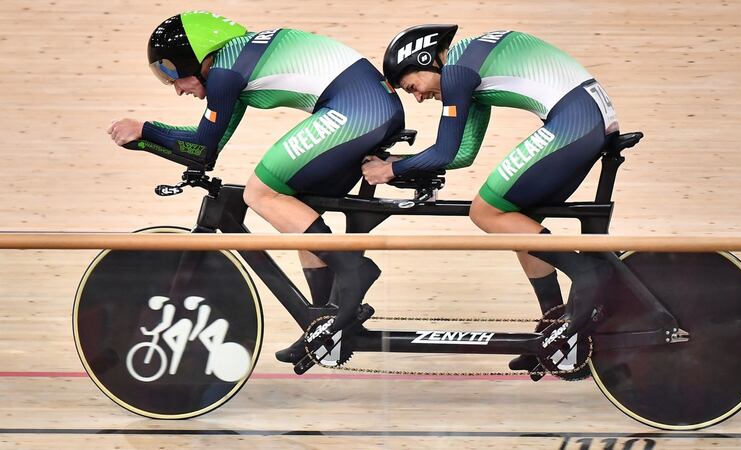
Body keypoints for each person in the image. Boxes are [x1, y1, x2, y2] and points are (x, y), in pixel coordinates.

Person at [107, 11, 405, 364]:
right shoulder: (234, 66)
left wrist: (145, 128)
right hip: (367, 109)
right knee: (298, 211)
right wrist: (144, 142)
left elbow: (200, 147)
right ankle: (324, 321)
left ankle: (354, 271)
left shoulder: (224, 74)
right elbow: (205, 151)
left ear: (198, 56)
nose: (176, 88)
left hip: (358, 111)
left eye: (172, 73)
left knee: (260, 192)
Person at [365, 25, 617, 369]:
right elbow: (462, 152)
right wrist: (400, 163)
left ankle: (586, 271)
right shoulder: (469, 69)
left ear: (425, 59)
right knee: (518, 221)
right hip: (589, 117)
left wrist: (389, 172)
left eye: (413, 87)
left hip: (575, 120)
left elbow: (443, 150)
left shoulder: (456, 72)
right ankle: (555, 330)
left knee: (485, 211)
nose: (420, 97)